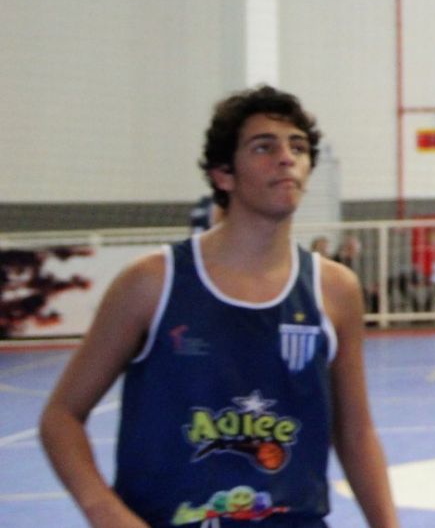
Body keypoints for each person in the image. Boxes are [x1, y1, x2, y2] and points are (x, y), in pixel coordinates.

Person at [38, 85, 399, 528]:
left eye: (298, 147)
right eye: (264, 147)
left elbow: (355, 432)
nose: (286, 157)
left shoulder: (334, 289)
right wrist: (104, 511)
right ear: (223, 174)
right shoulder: (152, 283)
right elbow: (61, 417)